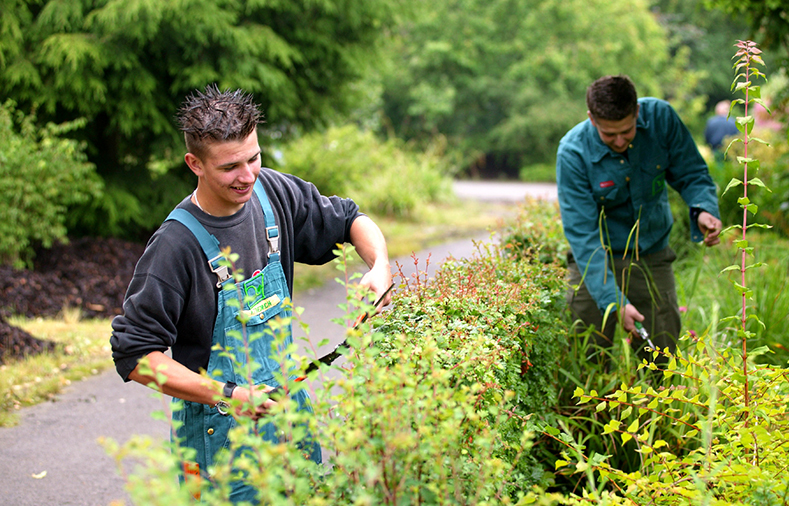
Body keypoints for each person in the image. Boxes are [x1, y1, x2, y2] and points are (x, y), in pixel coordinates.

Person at [110, 84, 392, 501]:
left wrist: (380, 266)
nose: (247, 176)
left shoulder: (272, 193)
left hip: (287, 417)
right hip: (219, 440)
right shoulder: (175, 246)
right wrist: (229, 396)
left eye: (253, 158)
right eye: (229, 168)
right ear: (195, 164)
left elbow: (351, 218)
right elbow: (134, 355)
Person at [556, 75, 722, 363]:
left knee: (662, 356)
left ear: (637, 113)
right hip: (598, 257)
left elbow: (692, 173)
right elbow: (582, 236)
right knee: (585, 352)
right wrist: (613, 301)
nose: (619, 141)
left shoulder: (662, 119)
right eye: (609, 135)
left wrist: (703, 208)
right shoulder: (573, 152)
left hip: (651, 254)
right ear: (592, 119)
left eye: (627, 131)